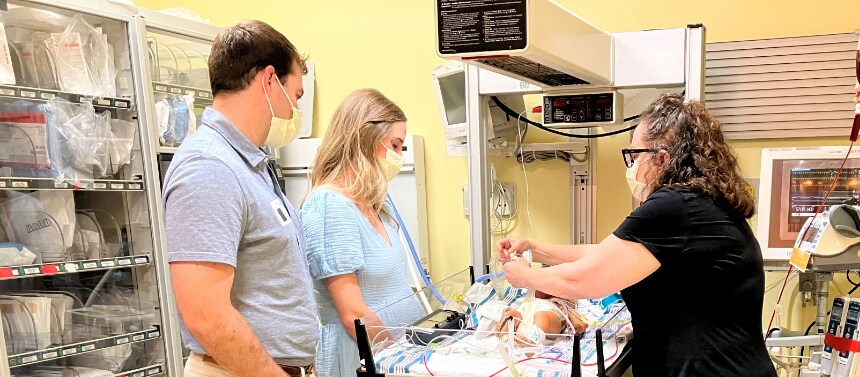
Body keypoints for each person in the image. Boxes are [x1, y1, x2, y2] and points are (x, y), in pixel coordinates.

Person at [498, 94, 777, 377]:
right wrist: (536, 249)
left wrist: (526, 277)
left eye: (635, 156)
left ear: (662, 158)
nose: (632, 167)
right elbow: (611, 254)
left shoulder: (675, 206)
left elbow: (584, 279)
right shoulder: (700, 203)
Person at [163, 20, 317, 377]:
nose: (296, 109)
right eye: (296, 95)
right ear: (268, 81)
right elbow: (206, 315)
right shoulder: (210, 167)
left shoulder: (251, 163)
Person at [301, 88, 424, 377]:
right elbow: (353, 313)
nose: (400, 158)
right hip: (362, 357)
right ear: (365, 138)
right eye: (394, 145)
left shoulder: (375, 204)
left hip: (395, 353)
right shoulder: (329, 205)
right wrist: (398, 361)